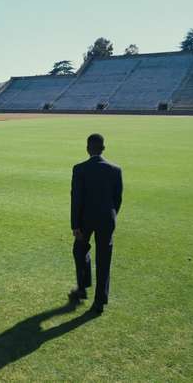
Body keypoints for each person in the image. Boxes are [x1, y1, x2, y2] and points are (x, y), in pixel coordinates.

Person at [69, 133, 123, 314]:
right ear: (103, 149)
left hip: (85, 219)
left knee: (79, 250)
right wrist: (111, 215)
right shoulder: (115, 170)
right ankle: (99, 302)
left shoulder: (79, 169)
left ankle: (82, 288)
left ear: (87, 148)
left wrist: (75, 224)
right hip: (107, 219)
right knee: (104, 259)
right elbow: (117, 199)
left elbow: (76, 199)